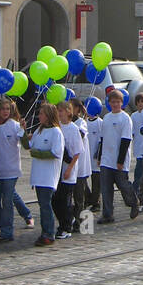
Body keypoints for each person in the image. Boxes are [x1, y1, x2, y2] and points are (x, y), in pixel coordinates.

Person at [97, 88, 141, 223]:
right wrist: (99, 157)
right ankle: (107, 214)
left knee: (123, 185)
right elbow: (102, 139)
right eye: (112, 102)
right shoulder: (106, 118)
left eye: (117, 102)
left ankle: (133, 202)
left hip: (119, 159)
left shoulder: (125, 118)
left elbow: (126, 140)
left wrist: (120, 160)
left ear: (121, 103)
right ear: (109, 103)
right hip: (106, 159)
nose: (115, 104)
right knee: (106, 188)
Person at [25, 101, 65, 245]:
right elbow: (29, 146)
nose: (39, 116)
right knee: (43, 205)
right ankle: (45, 231)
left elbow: (56, 152)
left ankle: (49, 233)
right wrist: (22, 133)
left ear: (48, 115)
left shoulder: (56, 132)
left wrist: (37, 153)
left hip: (48, 176)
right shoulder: (39, 130)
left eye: (41, 114)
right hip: (38, 176)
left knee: (45, 204)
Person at [0, 98, 26, 242]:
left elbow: (25, 144)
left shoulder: (15, 125)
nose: (5, 112)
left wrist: (24, 131)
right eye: (3, 109)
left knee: (7, 201)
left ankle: (7, 231)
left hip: (11, 170)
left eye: (7, 109)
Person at [53, 102, 83, 239]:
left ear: (68, 112)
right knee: (55, 200)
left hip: (68, 168)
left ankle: (66, 227)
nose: (59, 114)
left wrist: (69, 169)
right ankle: (65, 220)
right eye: (58, 111)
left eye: (61, 111)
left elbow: (77, 152)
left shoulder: (73, 128)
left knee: (65, 199)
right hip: (57, 170)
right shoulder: (57, 127)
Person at [70, 99, 93, 233]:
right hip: (70, 165)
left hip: (81, 165)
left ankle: (81, 222)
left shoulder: (81, 123)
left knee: (79, 195)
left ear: (77, 109)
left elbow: (80, 134)